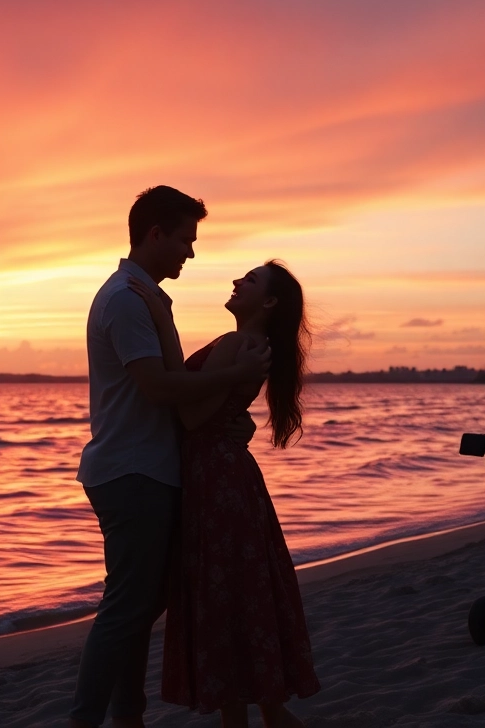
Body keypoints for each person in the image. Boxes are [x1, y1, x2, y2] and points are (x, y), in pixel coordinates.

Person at [70, 186, 271, 728]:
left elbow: (175, 392)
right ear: (155, 234)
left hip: (147, 468)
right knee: (127, 608)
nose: (190, 251)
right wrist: (236, 377)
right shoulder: (126, 300)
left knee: (138, 606)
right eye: (185, 239)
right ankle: (90, 719)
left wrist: (231, 411)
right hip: (131, 470)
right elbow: (158, 387)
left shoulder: (146, 297)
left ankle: (126, 718)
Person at [128, 260, 320, 728]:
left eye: (251, 280)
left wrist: (160, 322)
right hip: (227, 479)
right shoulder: (252, 345)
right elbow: (209, 407)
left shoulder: (240, 344)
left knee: (223, 599)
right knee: (237, 595)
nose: (237, 281)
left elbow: (192, 417)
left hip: (216, 483)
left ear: (269, 302)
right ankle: (269, 710)